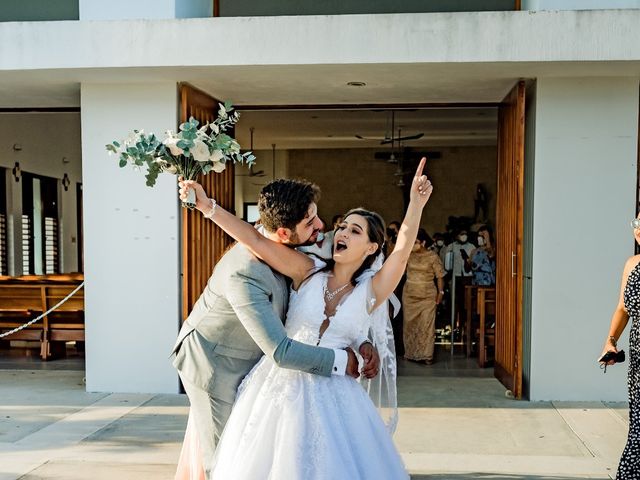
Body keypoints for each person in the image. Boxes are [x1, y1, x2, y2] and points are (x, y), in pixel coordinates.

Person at [178, 158, 433, 479]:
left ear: (371, 247)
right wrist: (207, 207)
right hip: (279, 381)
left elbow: (403, 250)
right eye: (342, 226)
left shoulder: (372, 290)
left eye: (355, 230)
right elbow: (255, 239)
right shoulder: (307, 269)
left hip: (336, 392)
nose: (338, 231)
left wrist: (416, 204)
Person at [599, 214, 640, 478]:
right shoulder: (632, 265)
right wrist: (610, 341)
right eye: (636, 226)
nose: (637, 230)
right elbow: (622, 308)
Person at [403, 229, 445, 365]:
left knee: (426, 325)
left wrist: (441, 293)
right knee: (410, 325)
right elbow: (399, 272)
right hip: (409, 295)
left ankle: (427, 355)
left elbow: (440, 276)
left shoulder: (433, 256)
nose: (413, 245)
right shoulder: (408, 255)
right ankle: (410, 353)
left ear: (423, 242)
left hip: (427, 296)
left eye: (415, 242)